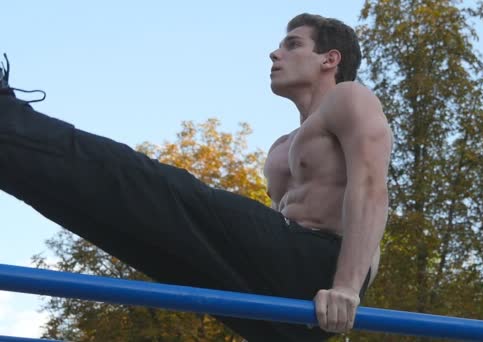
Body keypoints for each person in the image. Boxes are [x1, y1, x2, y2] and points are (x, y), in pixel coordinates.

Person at [0, 13, 392, 341]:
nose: (275, 52)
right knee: (132, 230)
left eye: (293, 44)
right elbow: (265, 238)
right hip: (283, 294)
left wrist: (346, 286)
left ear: (329, 59)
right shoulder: (281, 148)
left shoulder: (349, 98)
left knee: (154, 188)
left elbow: (371, 187)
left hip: (326, 271)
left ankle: (7, 122)